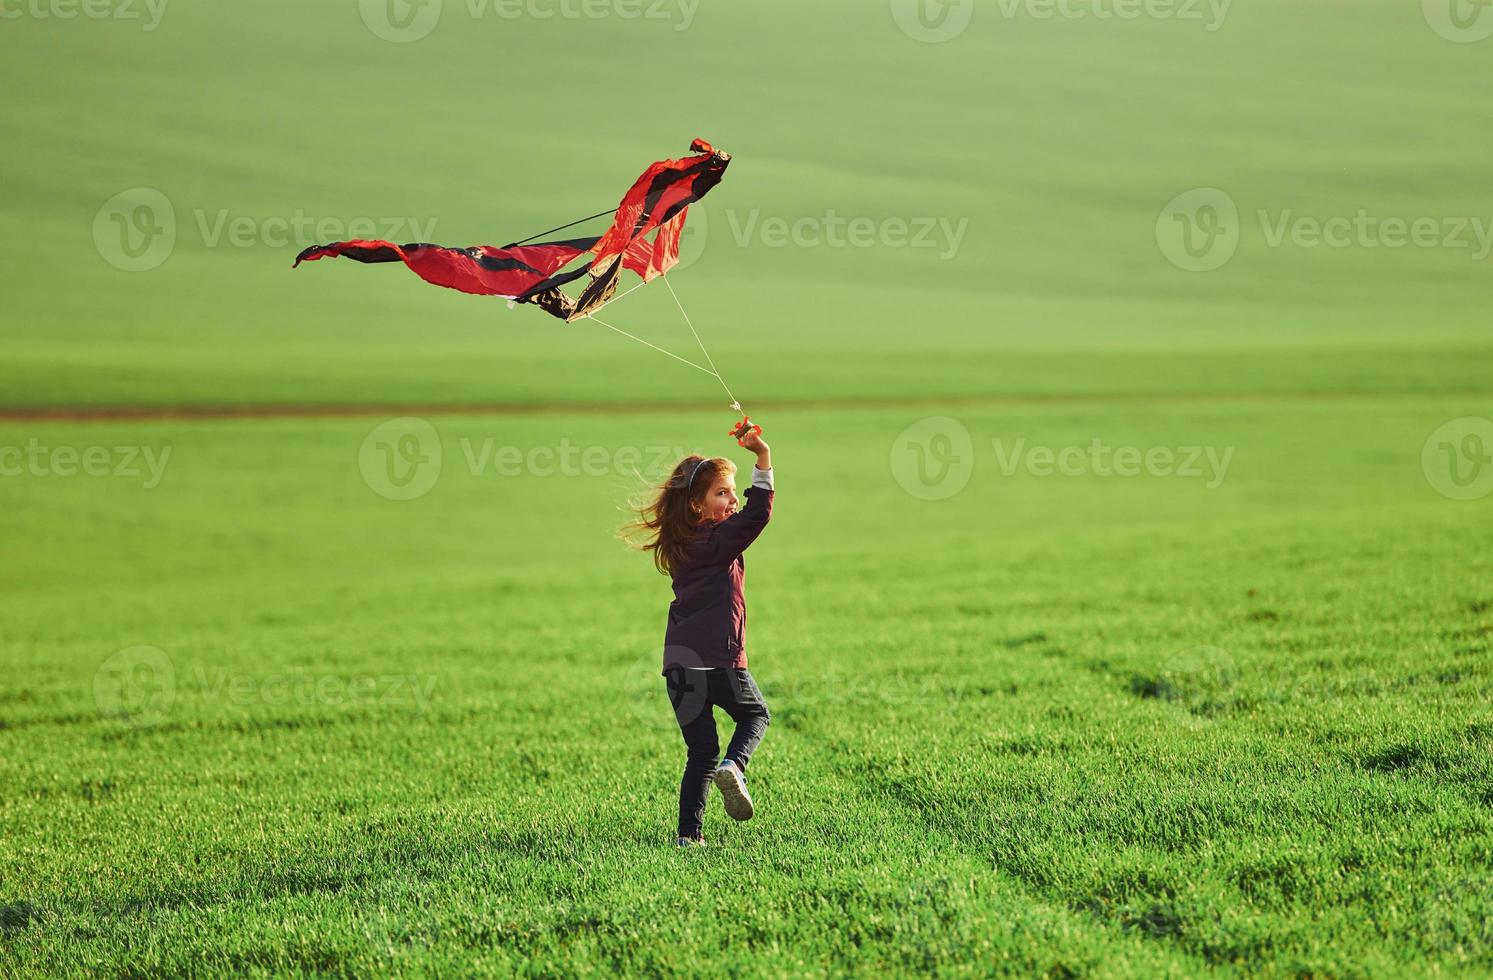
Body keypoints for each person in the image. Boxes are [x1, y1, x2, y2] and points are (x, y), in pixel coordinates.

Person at [625, 428, 775, 848]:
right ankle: (736, 765)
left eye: (731, 492)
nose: (732, 501)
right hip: (719, 660)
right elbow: (759, 513)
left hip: (679, 668)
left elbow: (741, 516)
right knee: (754, 716)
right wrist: (762, 456)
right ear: (696, 505)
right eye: (722, 494)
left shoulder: (680, 543)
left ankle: (689, 837)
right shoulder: (716, 540)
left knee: (700, 753)